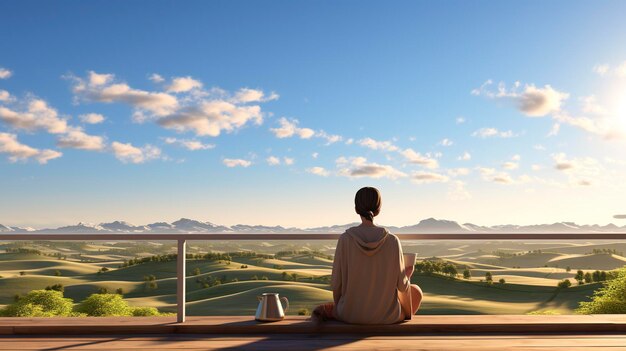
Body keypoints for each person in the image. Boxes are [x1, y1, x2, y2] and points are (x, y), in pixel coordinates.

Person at [312, 187, 423, 324]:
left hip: (349, 316)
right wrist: (406, 276)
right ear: (379, 209)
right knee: (416, 291)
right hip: (387, 317)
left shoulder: (345, 239)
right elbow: (402, 286)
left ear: (356, 208)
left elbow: (336, 284)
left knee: (331, 309)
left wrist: (343, 309)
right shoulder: (393, 241)